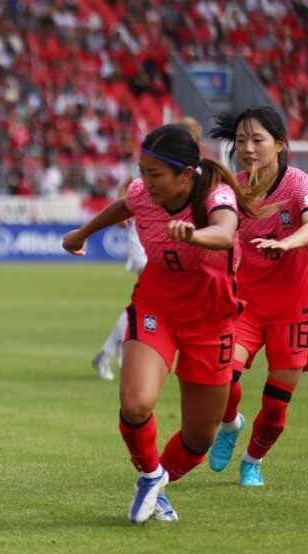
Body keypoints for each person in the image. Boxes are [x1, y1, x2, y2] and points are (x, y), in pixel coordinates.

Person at [64, 123, 260, 523]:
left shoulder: (215, 195)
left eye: (154, 175)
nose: (144, 183)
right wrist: (83, 233)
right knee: (135, 404)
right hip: (158, 306)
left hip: (212, 318)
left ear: (186, 175)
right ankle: (150, 475)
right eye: (142, 171)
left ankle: (162, 483)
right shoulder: (143, 193)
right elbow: (126, 205)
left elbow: (225, 233)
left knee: (199, 437)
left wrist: (195, 235)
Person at [208, 107, 308, 486]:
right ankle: (231, 425)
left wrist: (286, 245)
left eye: (257, 139)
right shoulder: (235, 188)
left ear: (280, 144)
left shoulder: (298, 184)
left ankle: (253, 460)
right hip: (245, 307)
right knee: (221, 380)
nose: (247, 148)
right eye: (241, 140)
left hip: (294, 309)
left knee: (277, 403)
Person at [92, 117, 203, 381]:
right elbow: (129, 188)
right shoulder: (156, 162)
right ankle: (112, 352)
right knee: (150, 292)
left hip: (171, 238)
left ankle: (118, 350)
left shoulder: (193, 174)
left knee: (152, 295)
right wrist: (125, 211)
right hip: (143, 234)